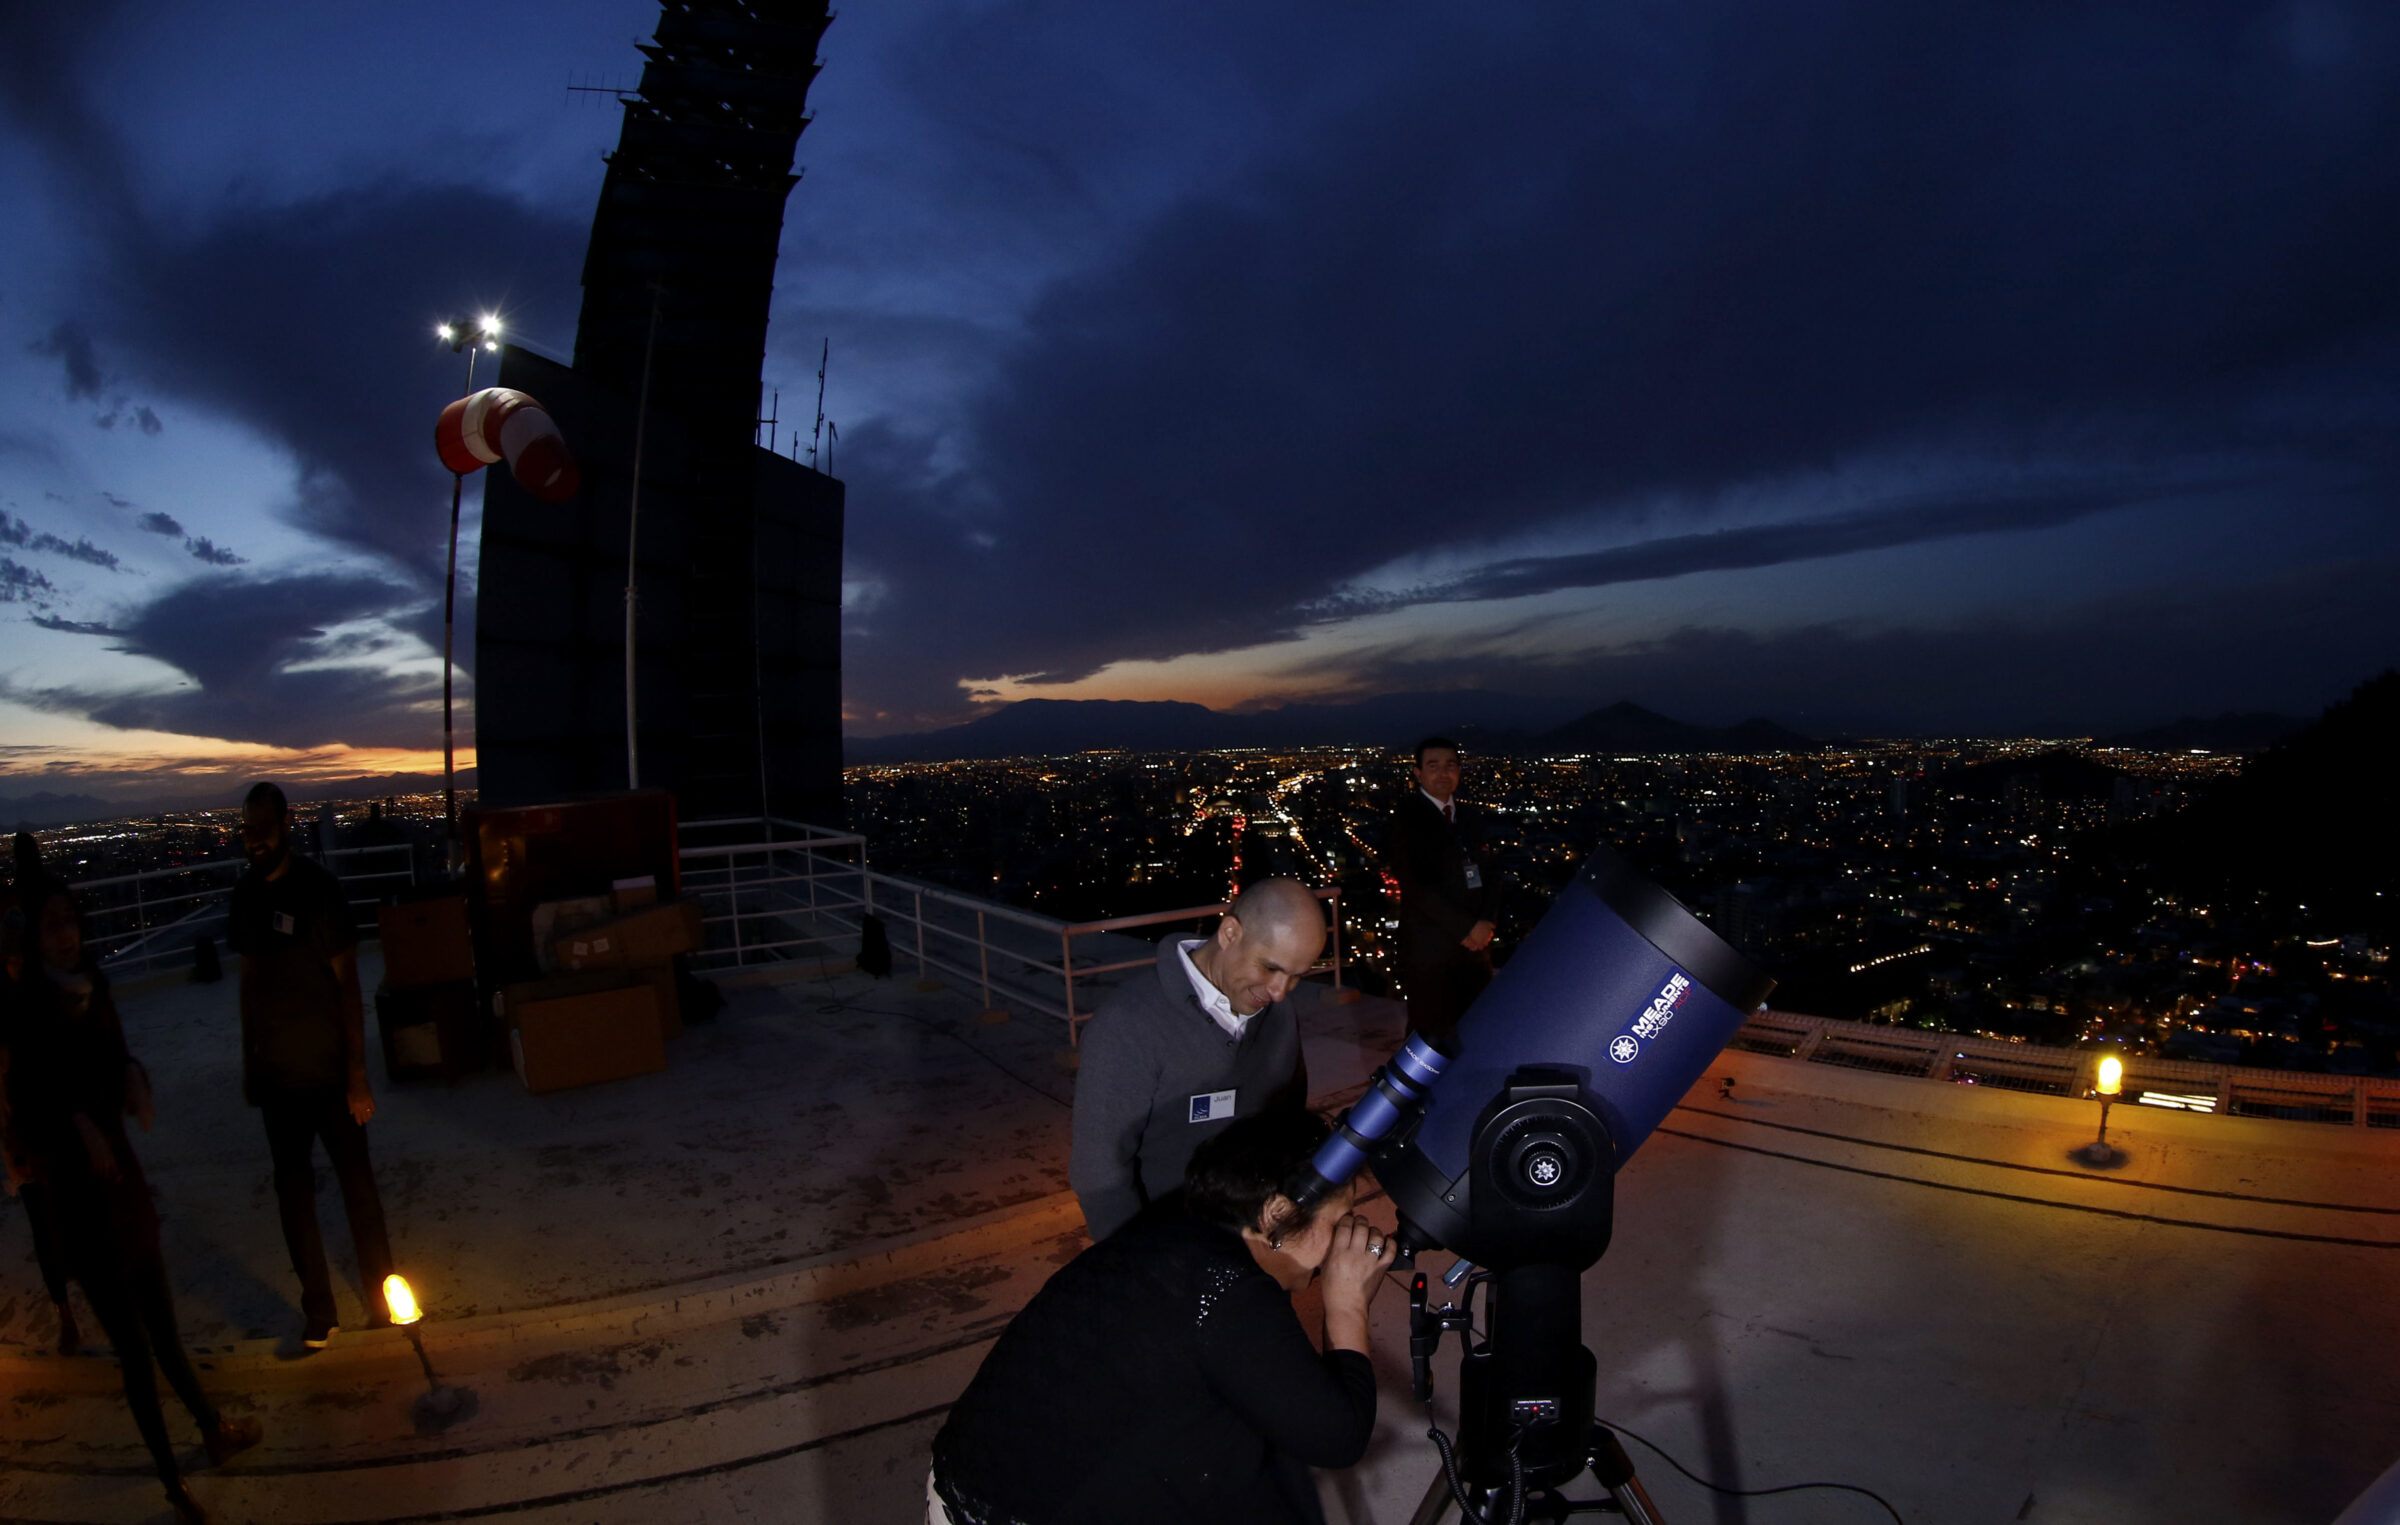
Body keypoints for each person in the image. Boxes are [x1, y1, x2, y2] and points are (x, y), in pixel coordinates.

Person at [932, 1108, 1388, 1523]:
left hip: (972, 1466)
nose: (1345, 1235)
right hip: (1005, 1510)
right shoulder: (1225, 1289)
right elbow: (1337, 1436)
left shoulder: (1188, 1219)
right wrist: (1347, 1303)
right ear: (1277, 1214)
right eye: (1339, 1218)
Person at [3, 882, 261, 1523]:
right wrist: (79, 1123)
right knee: (136, 1353)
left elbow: (117, 1058)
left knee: (166, 1333)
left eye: (70, 922)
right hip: (81, 1201)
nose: (64, 934)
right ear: (34, 939)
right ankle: (174, 1483)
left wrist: (134, 1079)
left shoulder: (94, 990)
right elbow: (30, 1109)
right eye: (51, 925)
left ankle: (212, 1431)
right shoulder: (27, 1009)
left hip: (123, 1185)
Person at [225, 781, 394, 1346]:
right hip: (278, 1079)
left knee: (358, 1188)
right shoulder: (246, 896)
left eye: (263, 828)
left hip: (328, 1073)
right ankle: (319, 1310)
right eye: (248, 829)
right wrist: (250, 1059)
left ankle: (380, 1296)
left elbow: (348, 986)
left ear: (286, 825)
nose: (254, 840)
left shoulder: (320, 891)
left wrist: (357, 1073)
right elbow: (249, 982)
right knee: (293, 1195)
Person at [1070, 877, 1322, 1240]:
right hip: (1169, 1243)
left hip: (1255, 1244)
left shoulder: (1279, 1014)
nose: (1280, 992)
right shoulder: (1127, 1025)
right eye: (1269, 968)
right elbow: (1099, 1172)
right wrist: (1136, 1265)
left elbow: (1289, 1119)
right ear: (1230, 933)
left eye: (1296, 977)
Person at [4, 835, 81, 1353]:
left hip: (29, 1127)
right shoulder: (46, 990)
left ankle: (65, 1314)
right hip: (40, 1125)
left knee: (44, 1217)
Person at [1385, 736, 1500, 1052]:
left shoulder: (1470, 818)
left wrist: (1486, 922)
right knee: (1429, 1037)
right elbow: (1415, 887)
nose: (1443, 773)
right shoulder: (1406, 819)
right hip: (1429, 952)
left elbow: (1491, 874)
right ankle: (1418, 1099)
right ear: (1418, 773)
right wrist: (1466, 928)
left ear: (1460, 771)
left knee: (1478, 1029)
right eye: (1433, 766)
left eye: (1451, 765)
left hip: (1475, 950)